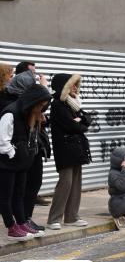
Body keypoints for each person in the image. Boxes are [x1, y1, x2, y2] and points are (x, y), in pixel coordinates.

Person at [0, 84, 51, 240]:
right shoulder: (11, 113)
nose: (41, 109)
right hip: (7, 164)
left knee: (19, 195)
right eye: (40, 105)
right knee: (5, 197)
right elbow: (2, 141)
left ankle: (21, 223)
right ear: (33, 101)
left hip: (21, 163)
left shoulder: (27, 113)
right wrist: (14, 154)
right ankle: (11, 227)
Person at [46, 73, 92, 230]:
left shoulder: (72, 104)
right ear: (63, 86)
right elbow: (73, 127)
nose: (75, 88)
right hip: (65, 150)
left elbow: (87, 120)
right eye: (72, 85)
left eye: (76, 85)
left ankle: (71, 217)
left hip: (77, 149)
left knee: (76, 184)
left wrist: (80, 122)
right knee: (65, 183)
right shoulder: (58, 105)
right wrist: (79, 123)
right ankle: (54, 219)